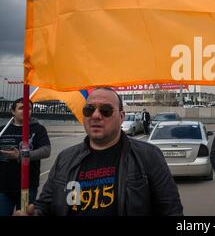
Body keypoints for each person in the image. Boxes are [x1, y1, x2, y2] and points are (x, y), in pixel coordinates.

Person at [15, 87, 183, 216]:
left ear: (121, 116)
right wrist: (34, 212)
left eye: (106, 110)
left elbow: (171, 210)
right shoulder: (65, 158)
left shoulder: (148, 156)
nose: (96, 115)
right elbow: (46, 205)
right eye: (89, 110)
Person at [0, 98, 51, 216]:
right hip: (3, 187)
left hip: (27, 187)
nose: (26, 111)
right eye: (21, 108)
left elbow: (46, 151)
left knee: (25, 214)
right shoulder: (3, 129)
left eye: (29, 109)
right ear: (13, 111)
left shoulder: (37, 129)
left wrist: (21, 155)